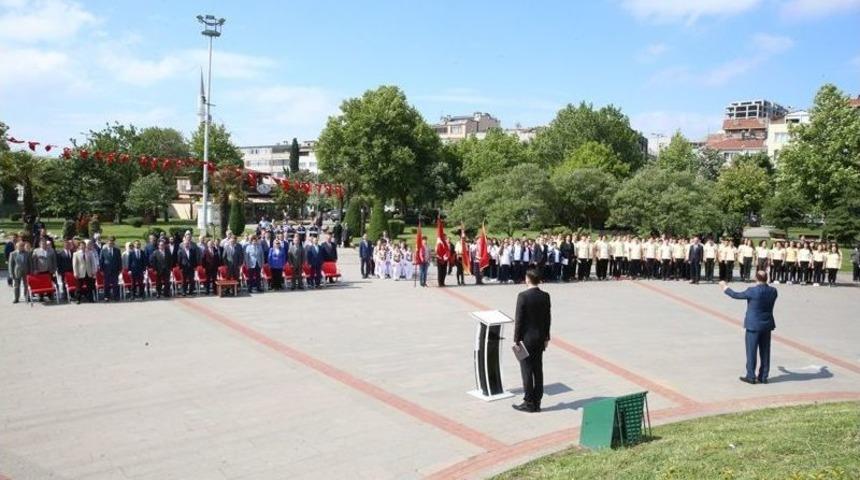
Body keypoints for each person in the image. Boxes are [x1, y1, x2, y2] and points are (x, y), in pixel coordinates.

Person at [721, 270, 777, 385]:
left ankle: (751, 376)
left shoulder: (752, 291)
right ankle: (763, 376)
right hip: (766, 325)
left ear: (756, 278)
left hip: (753, 325)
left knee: (751, 351)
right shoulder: (773, 291)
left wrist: (725, 287)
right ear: (767, 278)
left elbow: (736, 295)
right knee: (765, 352)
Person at [512, 269, 552, 413]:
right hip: (540, 338)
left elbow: (519, 320)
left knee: (527, 370)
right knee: (538, 369)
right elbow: (548, 318)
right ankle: (537, 401)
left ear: (528, 279)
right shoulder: (545, 296)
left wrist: (516, 340)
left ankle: (528, 402)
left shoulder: (523, 296)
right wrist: (546, 337)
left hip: (526, 340)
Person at [100, 236, 122, 302]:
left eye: (112, 242)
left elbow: (119, 260)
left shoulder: (117, 250)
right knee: (106, 284)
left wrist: (120, 269)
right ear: (107, 243)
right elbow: (101, 260)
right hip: (106, 270)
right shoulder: (103, 250)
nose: (111, 243)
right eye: (109, 242)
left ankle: (116, 297)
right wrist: (101, 270)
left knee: (115, 284)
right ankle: (106, 297)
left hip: (115, 270)